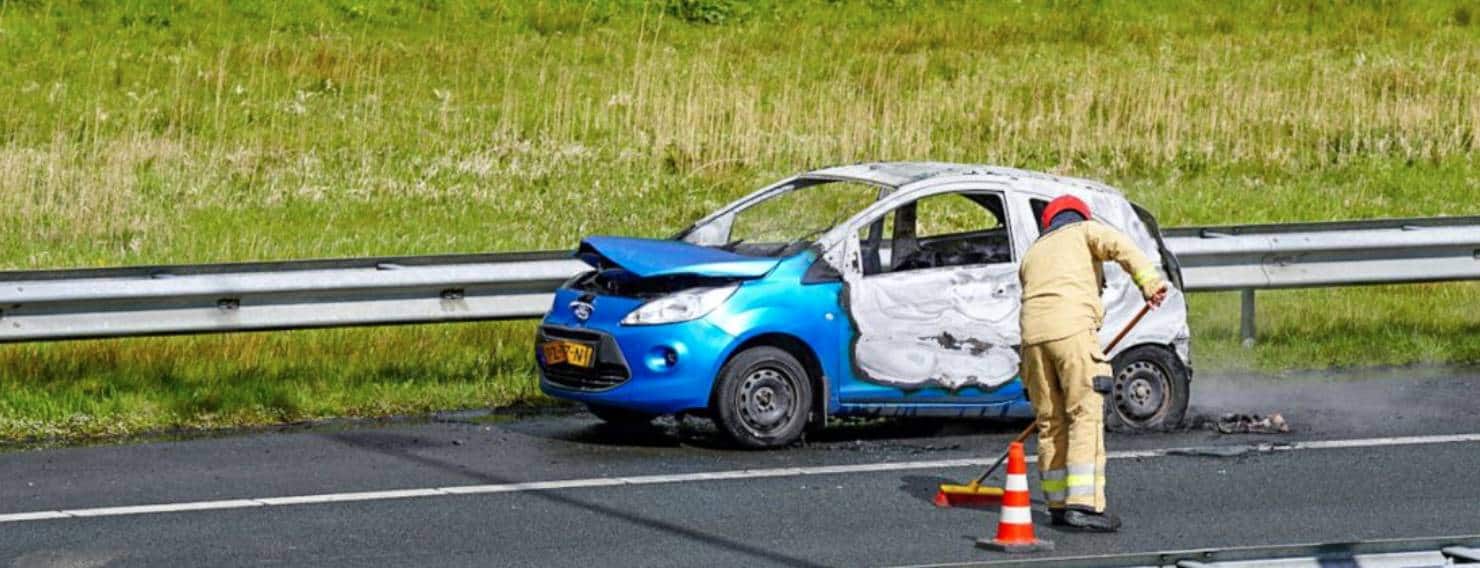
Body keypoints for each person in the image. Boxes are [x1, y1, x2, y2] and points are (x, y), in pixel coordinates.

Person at [1018, 194, 1168, 532]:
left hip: (1031, 342)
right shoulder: (1085, 231)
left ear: (1048, 223)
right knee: (1084, 414)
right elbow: (1120, 245)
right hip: (1071, 333)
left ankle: (1058, 504)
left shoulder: (1033, 252)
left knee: (1050, 422)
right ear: (1080, 216)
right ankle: (1084, 505)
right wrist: (1150, 283)